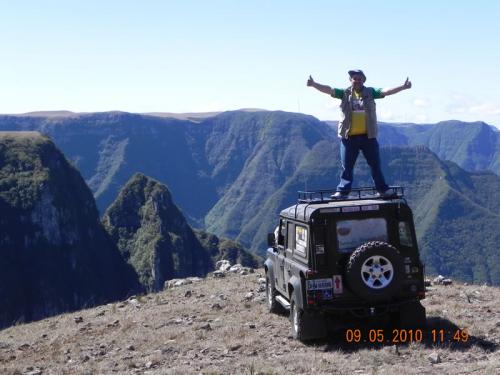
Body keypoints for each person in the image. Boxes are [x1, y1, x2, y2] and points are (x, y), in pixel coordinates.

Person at [307, 69, 411, 198]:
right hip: (349, 137)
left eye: (359, 78)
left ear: (363, 80)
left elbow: (386, 91)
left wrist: (403, 87)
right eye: (354, 78)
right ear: (350, 80)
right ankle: (342, 192)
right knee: (347, 167)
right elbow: (329, 90)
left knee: (375, 165)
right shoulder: (344, 93)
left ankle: (382, 189)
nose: (357, 80)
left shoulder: (371, 92)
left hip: (368, 136)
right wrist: (314, 84)